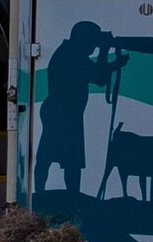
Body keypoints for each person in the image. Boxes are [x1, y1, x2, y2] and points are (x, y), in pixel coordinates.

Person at [33, 21, 127, 194]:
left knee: (65, 158)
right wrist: (107, 54)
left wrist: (112, 62)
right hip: (61, 112)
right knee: (60, 157)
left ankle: (62, 194)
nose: (94, 45)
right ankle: (52, 194)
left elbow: (97, 76)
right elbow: (99, 78)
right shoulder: (71, 55)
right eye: (93, 39)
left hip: (64, 112)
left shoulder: (72, 52)